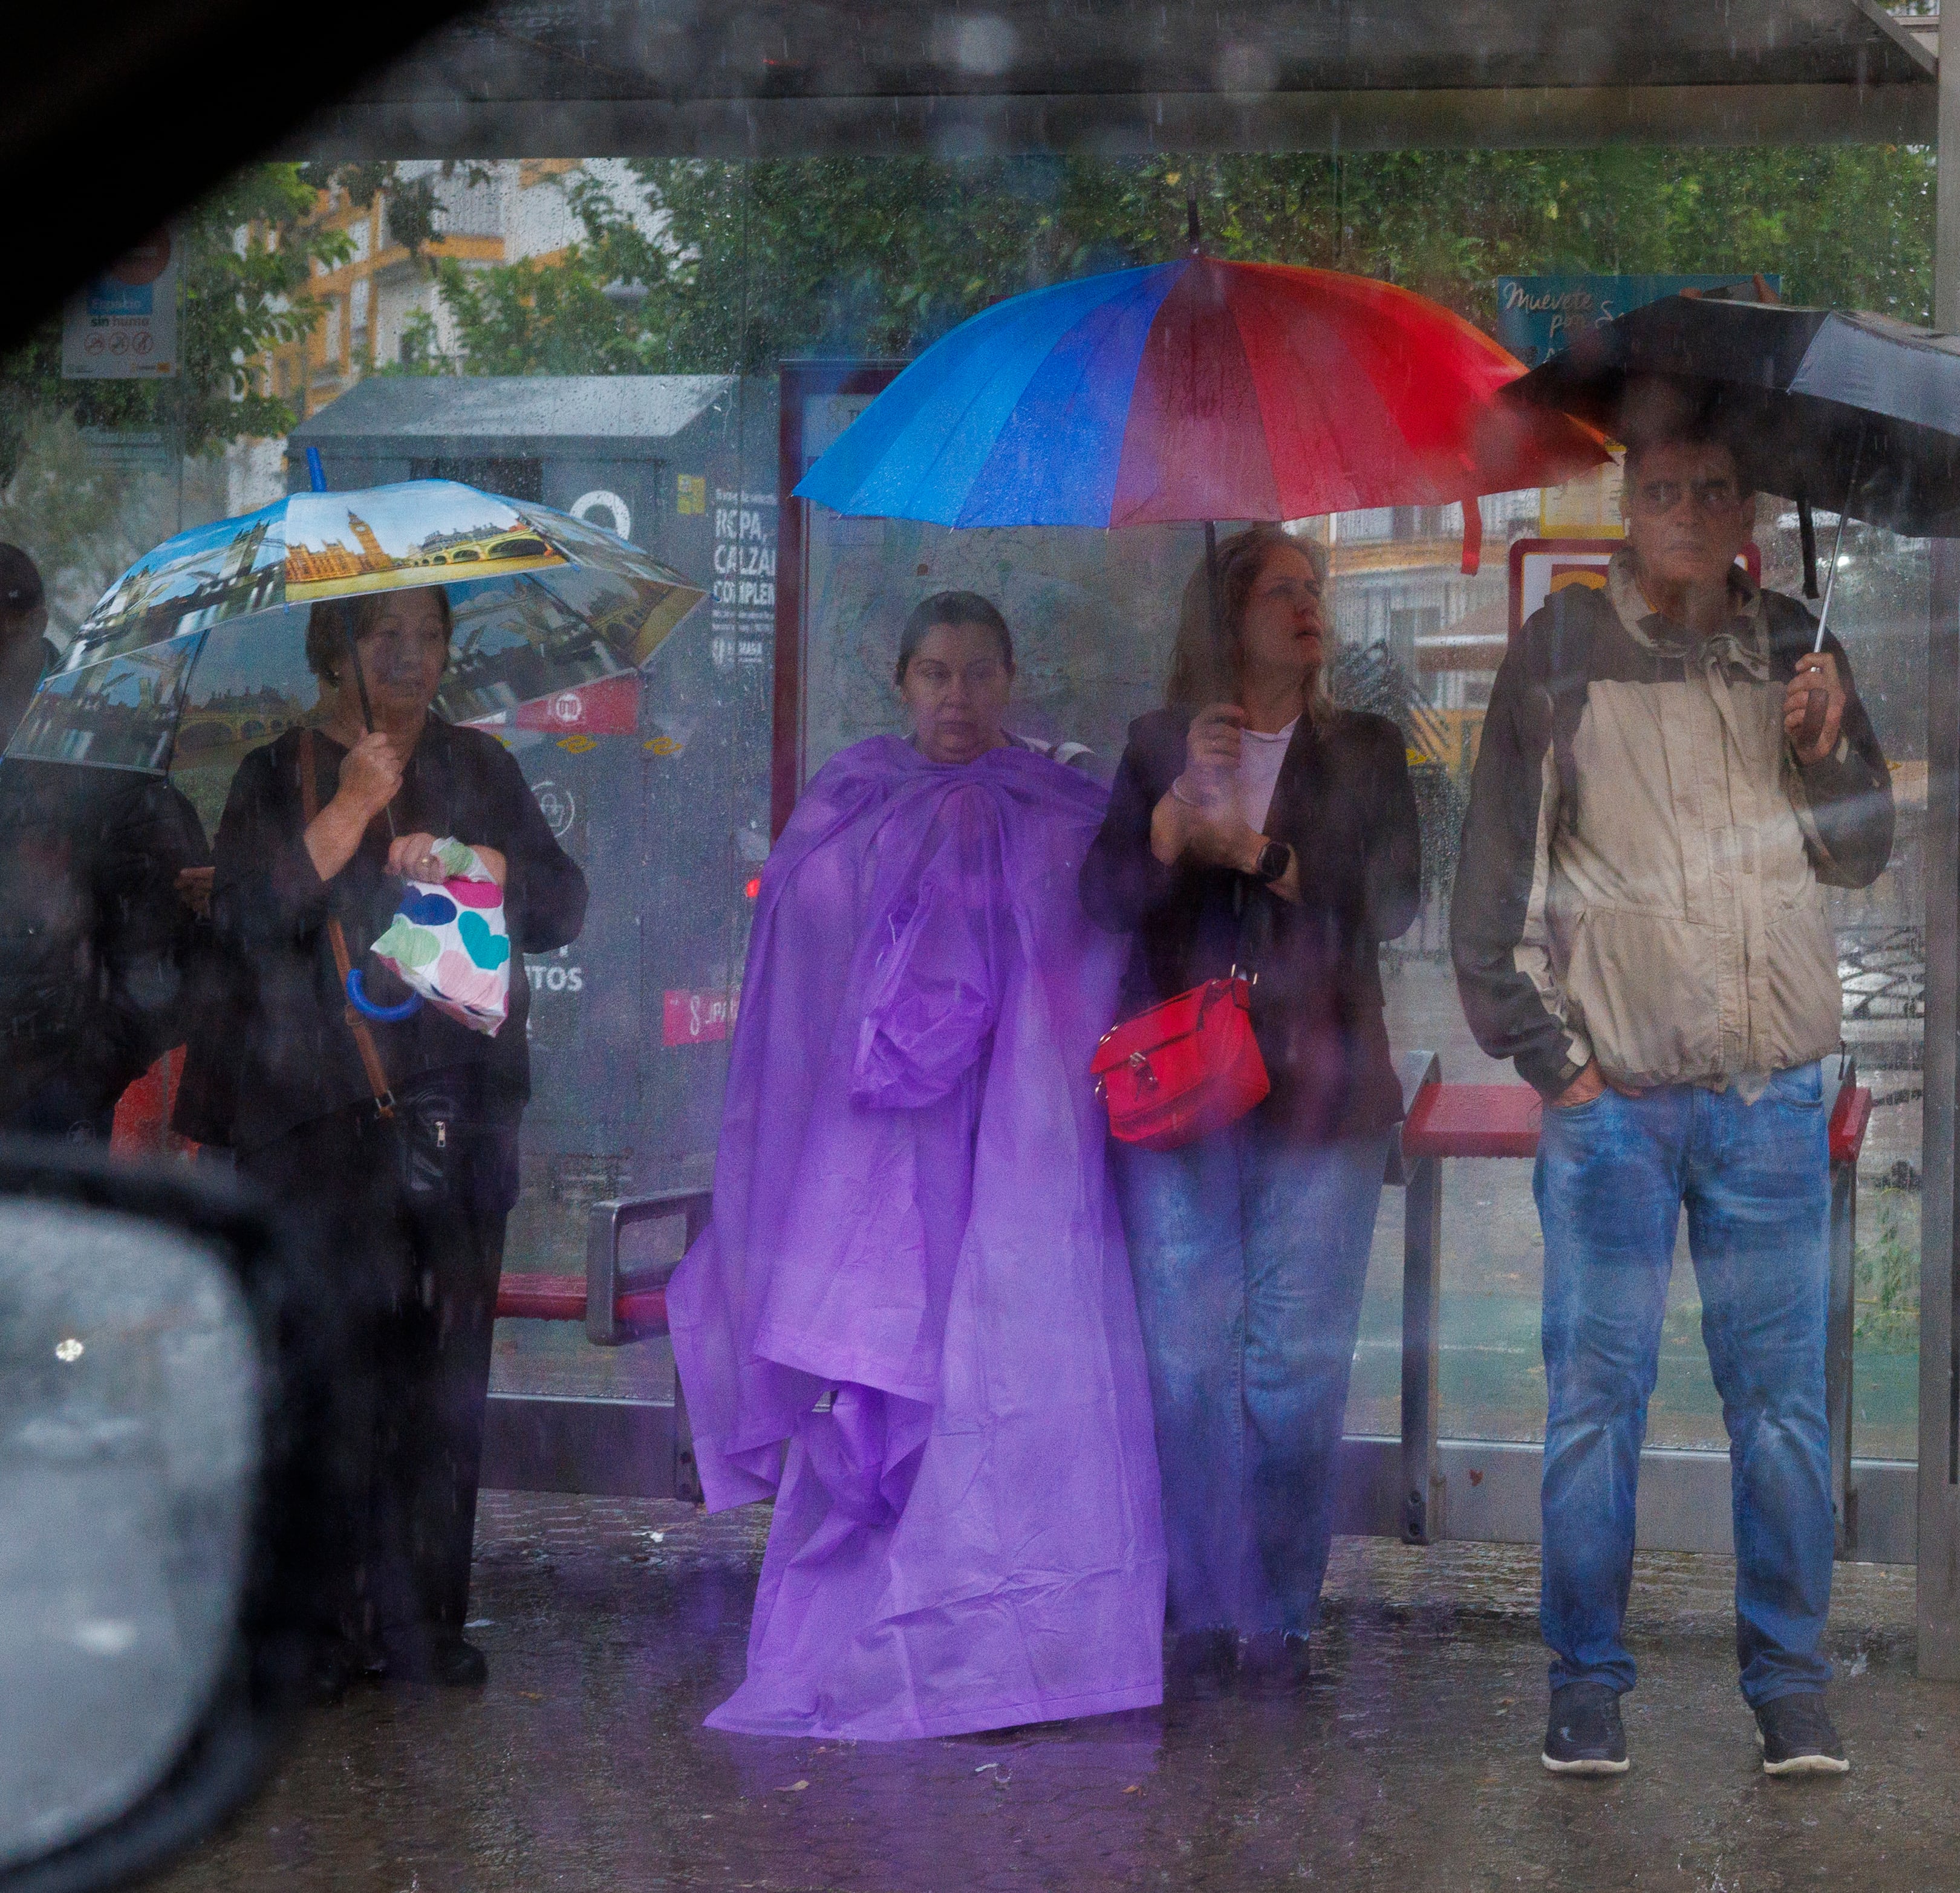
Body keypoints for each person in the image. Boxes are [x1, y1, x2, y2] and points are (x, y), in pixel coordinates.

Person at [1450, 420, 1895, 1778]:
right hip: (1617, 1106)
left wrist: (1823, 747)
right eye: (1661, 491)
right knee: (1596, 1401)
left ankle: (1789, 1683)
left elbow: (1861, 850)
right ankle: (1584, 1680)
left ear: (1747, 502)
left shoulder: (1797, 640)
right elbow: (1489, 896)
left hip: (1767, 1096)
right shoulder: (1563, 650)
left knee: (1780, 1408)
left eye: (1711, 487)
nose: (1687, 510)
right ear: (1624, 505)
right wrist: (1558, 1066)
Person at [669, 591, 1165, 1739]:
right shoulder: (853, 804)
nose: (957, 696)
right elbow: (801, 958)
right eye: (937, 673)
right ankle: (882, 1620)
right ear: (902, 683)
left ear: (1011, 681)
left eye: (979, 673)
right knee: (882, 1377)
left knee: (995, 1368)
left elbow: (1094, 954)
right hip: (880, 1158)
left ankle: (1009, 1638)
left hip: (1013, 1153)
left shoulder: (1057, 811)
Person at [208, 584, 587, 1691]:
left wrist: (488, 865)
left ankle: (426, 1622)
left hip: (460, 1114)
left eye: (429, 635)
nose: (411, 655)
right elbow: (239, 923)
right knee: (322, 1368)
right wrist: (344, 815)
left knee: (441, 1376)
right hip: (313, 1118)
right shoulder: (276, 772)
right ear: (337, 651)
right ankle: (319, 1632)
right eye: (385, 636)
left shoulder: (482, 768)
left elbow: (562, 909)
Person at [1080, 525, 1422, 1701]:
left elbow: (1394, 894)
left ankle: (1277, 1612)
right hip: (1182, 1094)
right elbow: (1104, 895)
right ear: (1224, 620)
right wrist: (1175, 823)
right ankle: (1192, 1610)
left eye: (1313, 587)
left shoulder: (1366, 745)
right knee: (1183, 1367)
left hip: (1318, 1096)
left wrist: (1259, 851)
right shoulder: (1157, 743)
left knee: (1290, 1373)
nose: (1307, 604)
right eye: (1281, 589)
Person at [0, 542, 208, 1142]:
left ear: (35, 622)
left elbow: (162, 935)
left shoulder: (103, 735)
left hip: (53, 1088)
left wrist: (84, 1074)